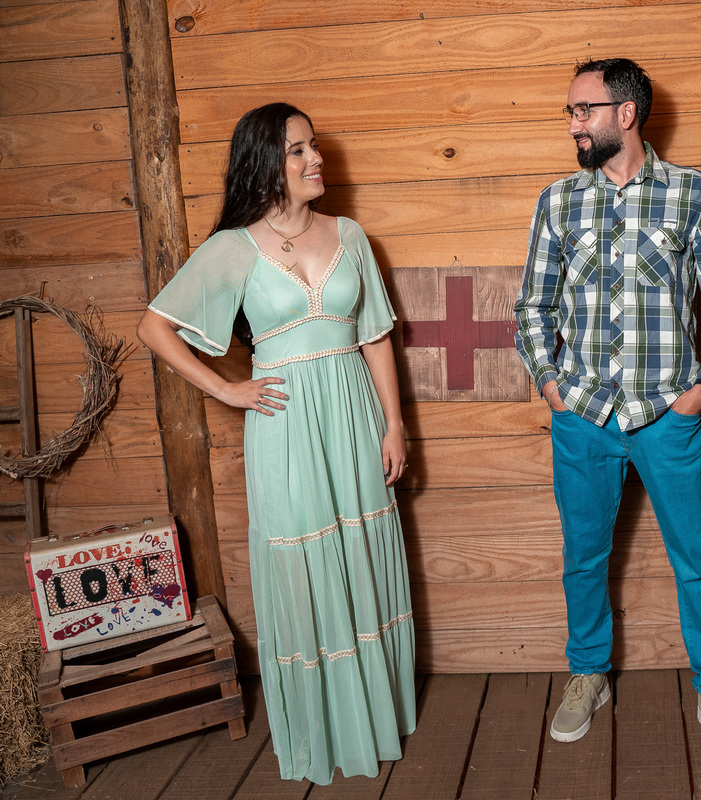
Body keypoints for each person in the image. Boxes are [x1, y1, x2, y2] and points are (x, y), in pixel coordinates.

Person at [137, 103, 416, 785]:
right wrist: (227, 390)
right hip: (285, 425)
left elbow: (375, 336)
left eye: (314, 146)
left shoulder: (350, 234)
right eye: (298, 150)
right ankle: (321, 729)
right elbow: (154, 328)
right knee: (302, 564)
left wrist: (395, 423)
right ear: (266, 162)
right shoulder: (234, 247)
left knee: (359, 552)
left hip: (352, 413)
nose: (315, 160)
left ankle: (374, 716)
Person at [514, 58, 701, 768]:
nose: (572, 124)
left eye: (582, 110)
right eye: (568, 112)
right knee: (583, 561)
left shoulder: (694, 195)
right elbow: (533, 307)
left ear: (626, 113)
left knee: (699, 561)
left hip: (668, 417)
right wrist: (553, 386)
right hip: (582, 415)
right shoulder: (558, 202)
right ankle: (588, 674)